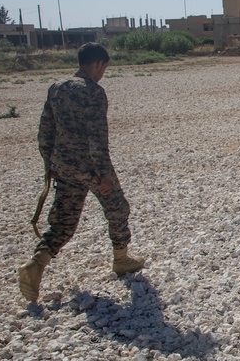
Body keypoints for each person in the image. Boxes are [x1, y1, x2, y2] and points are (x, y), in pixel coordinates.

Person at [18, 43, 145, 303]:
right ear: (98, 64)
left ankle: (36, 264)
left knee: (64, 220)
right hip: (89, 167)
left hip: (63, 165)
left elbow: (45, 131)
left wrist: (49, 165)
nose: (102, 75)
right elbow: (97, 138)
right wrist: (103, 175)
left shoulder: (56, 88)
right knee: (118, 208)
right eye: (104, 69)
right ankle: (121, 259)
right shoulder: (93, 92)